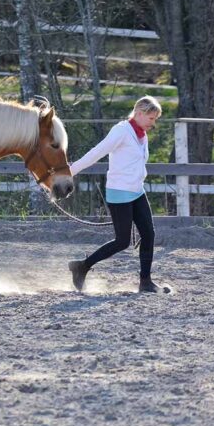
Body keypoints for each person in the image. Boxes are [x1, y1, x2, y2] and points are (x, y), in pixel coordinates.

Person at [68, 96, 165, 293]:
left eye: (155, 119)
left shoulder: (141, 135)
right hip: (120, 192)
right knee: (122, 241)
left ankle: (145, 281)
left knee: (148, 234)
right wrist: (70, 171)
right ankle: (82, 266)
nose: (153, 123)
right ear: (139, 113)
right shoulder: (121, 131)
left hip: (137, 191)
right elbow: (97, 152)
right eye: (151, 118)